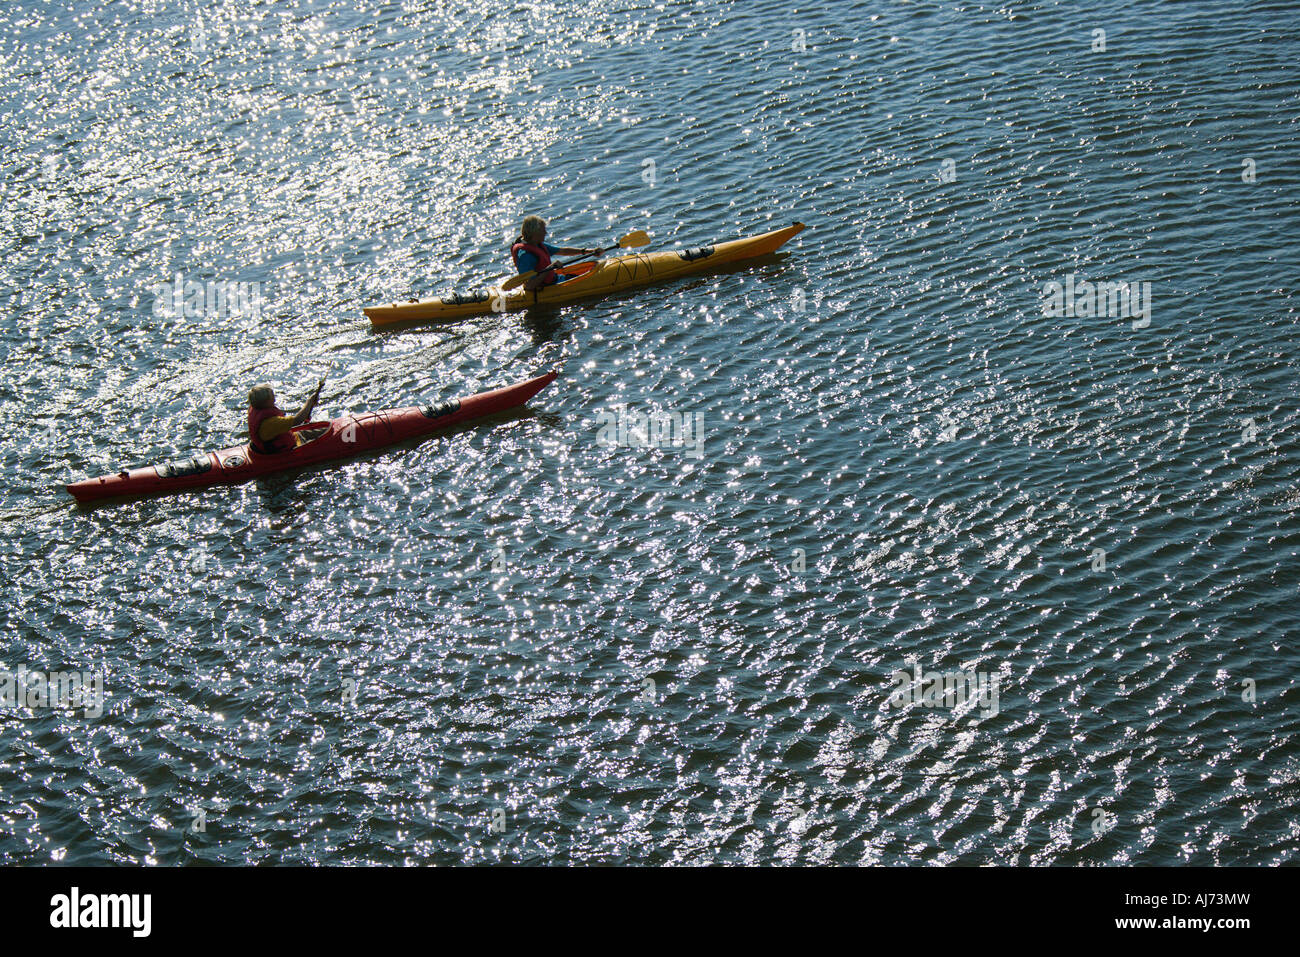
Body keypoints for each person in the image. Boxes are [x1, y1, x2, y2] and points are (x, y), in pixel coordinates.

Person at [511, 215, 603, 291]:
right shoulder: (525, 256)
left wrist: (588, 251)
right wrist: (550, 267)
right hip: (546, 288)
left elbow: (563, 251)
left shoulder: (536, 244)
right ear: (535, 234)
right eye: (543, 230)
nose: (546, 233)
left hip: (555, 280)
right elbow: (529, 286)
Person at [247, 378, 325, 454]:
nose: (274, 396)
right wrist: (309, 401)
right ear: (266, 401)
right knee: (323, 441)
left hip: (292, 437)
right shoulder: (270, 423)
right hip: (290, 449)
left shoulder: (256, 408)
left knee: (324, 431)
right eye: (272, 394)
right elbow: (298, 420)